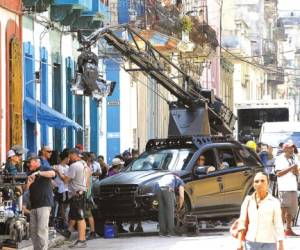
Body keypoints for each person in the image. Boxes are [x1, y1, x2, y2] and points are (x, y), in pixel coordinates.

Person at [237, 172, 284, 250]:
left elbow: (278, 224)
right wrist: (239, 242)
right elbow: (242, 221)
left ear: (268, 184)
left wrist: (281, 244)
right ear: (253, 185)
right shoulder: (248, 200)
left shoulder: (274, 202)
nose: (259, 183)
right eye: (256, 181)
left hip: (269, 243)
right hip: (250, 243)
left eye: (262, 181)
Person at [58, 148, 88, 248]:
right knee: (75, 216)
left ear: (74, 154)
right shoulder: (83, 164)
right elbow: (88, 174)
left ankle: (82, 240)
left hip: (77, 195)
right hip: (81, 192)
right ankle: (70, 233)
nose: (69, 158)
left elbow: (65, 180)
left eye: (70, 155)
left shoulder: (74, 166)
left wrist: (58, 172)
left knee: (80, 217)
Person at [26, 154, 56, 250]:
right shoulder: (29, 172)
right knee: (34, 231)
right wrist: (28, 183)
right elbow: (25, 189)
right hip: (33, 205)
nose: (28, 164)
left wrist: (39, 173)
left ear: (36, 161)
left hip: (44, 203)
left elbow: (53, 174)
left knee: (42, 230)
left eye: (29, 162)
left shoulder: (44, 168)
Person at [274, 141, 300, 236]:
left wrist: (295, 171)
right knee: (283, 208)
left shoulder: (294, 158)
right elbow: (278, 174)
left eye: (292, 148)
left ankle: (288, 229)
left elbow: (297, 172)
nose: (292, 149)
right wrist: (290, 168)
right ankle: (280, 230)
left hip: (293, 186)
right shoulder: (279, 159)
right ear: (284, 149)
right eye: (289, 148)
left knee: (292, 209)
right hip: (284, 187)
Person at [53, 150, 70, 230]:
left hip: (67, 190)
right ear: (66, 158)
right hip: (61, 190)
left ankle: (65, 222)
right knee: (62, 207)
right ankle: (64, 223)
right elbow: (64, 179)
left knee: (66, 208)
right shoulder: (59, 167)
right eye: (68, 158)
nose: (69, 160)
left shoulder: (67, 167)